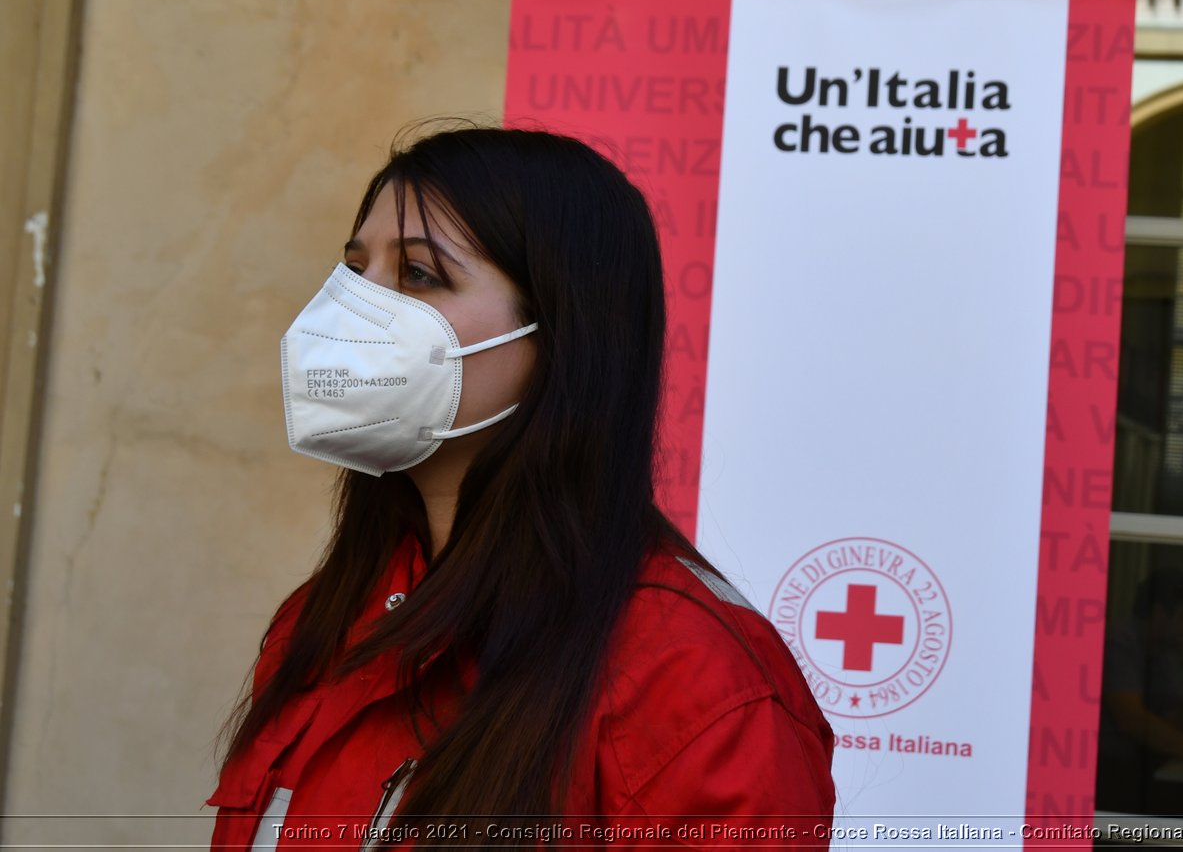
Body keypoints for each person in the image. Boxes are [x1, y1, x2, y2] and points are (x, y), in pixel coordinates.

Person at [206, 125, 837, 850]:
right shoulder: (326, 620)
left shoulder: (687, 680)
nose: (351, 313)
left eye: (417, 274)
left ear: (560, 331)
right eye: (353, 270)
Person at [1094, 566, 1183, 816]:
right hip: (1105, 771)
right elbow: (1131, 720)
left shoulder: (1166, 652)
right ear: (1158, 613)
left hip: (1139, 768)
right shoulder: (1120, 642)